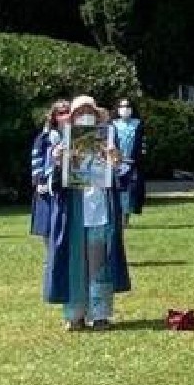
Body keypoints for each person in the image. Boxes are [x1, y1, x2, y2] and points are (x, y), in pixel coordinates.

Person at [42, 96, 130, 330]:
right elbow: (49, 182)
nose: (85, 116)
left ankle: (100, 314)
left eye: (88, 111)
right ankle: (75, 315)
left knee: (99, 264)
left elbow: (123, 177)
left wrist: (115, 158)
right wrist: (58, 161)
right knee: (74, 264)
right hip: (73, 213)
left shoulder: (108, 139)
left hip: (100, 210)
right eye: (80, 112)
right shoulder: (60, 142)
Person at [29, 99, 69, 238]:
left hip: (67, 185)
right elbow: (37, 159)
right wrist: (40, 181)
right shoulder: (45, 137)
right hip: (47, 184)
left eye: (68, 112)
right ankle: (49, 256)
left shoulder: (76, 135)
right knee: (46, 224)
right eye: (61, 113)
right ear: (54, 116)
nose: (65, 116)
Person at [111, 98, 145, 219]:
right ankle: (118, 216)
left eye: (127, 106)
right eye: (122, 106)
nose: (125, 109)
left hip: (133, 163)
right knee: (119, 189)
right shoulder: (113, 124)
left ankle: (126, 217)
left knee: (131, 191)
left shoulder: (138, 123)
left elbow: (142, 144)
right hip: (117, 163)